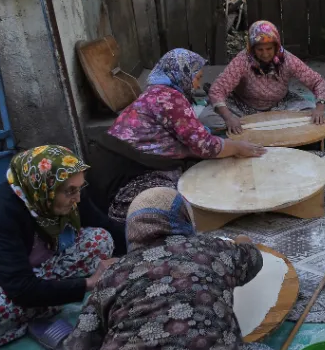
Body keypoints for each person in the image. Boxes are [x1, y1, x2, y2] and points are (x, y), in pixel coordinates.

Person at [60, 187, 285, 350]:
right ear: (184, 219)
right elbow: (253, 259)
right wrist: (242, 240)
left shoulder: (112, 274)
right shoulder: (215, 250)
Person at [0, 146, 122, 347]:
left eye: (80, 188)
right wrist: (89, 283)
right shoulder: (0, 212)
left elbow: (103, 223)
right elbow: (19, 288)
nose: (78, 198)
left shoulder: (56, 194)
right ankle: (40, 305)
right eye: (70, 191)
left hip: (28, 267)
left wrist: (139, 249)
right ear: (45, 187)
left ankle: (45, 296)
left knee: (101, 239)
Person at [87, 48, 265, 223]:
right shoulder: (170, 99)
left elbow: (188, 136)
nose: (197, 85)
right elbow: (205, 146)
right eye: (197, 78)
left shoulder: (156, 92)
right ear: (181, 74)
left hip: (110, 163)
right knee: (175, 199)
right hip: (121, 172)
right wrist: (237, 147)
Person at [199, 20, 325, 133]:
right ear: (252, 48)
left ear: (276, 47)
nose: (265, 54)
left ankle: (252, 128)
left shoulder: (288, 60)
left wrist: (320, 108)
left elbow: (318, 82)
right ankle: (254, 128)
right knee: (206, 119)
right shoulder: (242, 60)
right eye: (260, 50)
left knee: (311, 114)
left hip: (280, 105)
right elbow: (217, 90)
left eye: (269, 49)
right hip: (242, 106)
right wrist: (228, 117)